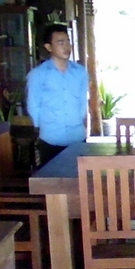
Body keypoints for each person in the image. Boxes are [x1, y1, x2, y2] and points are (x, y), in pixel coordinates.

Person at [26, 24, 88, 166]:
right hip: (50, 138)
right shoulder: (38, 74)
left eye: (68, 42)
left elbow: (82, 101)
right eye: (61, 43)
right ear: (48, 47)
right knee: (52, 182)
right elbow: (33, 104)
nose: (67, 47)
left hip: (77, 136)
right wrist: (41, 126)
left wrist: (80, 120)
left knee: (79, 182)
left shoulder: (80, 72)